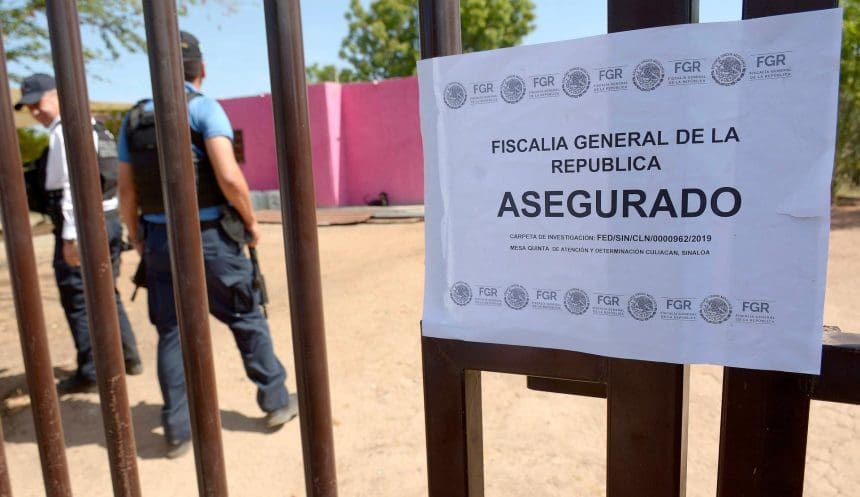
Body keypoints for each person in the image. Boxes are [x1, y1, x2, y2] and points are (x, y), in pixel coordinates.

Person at [117, 31, 297, 459]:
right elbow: (230, 177)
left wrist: (139, 236)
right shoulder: (202, 107)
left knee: (173, 333)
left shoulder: (135, 119)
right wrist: (251, 222)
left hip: (159, 240)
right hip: (210, 238)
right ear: (201, 70)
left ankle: (178, 429)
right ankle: (275, 402)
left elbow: (126, 193)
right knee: (245, 317)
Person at [15, 73, 143, 394]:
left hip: (84, 226)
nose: (34, 112)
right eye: (29, 107)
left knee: (78, 298)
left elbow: (74, 185)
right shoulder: (96, 127)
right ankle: (128, 356)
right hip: (108, 219)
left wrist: (71, 236)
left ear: (56, 95)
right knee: (105, 291)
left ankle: (90, 371)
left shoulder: (65, 132)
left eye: (38, 103)